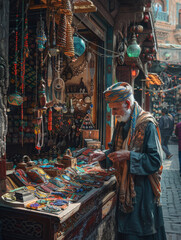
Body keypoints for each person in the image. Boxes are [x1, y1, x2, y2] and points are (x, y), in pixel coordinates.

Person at [90, 82, 166, 240]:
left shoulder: (147, 125)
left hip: (142, 194)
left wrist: (130, 156)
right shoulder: (122, 122)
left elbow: (155, 160)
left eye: (115, 108)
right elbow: (116, 150)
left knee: (140, 234)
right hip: (125, 190)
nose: (113, 112)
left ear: (128, 103)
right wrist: (105, 155)